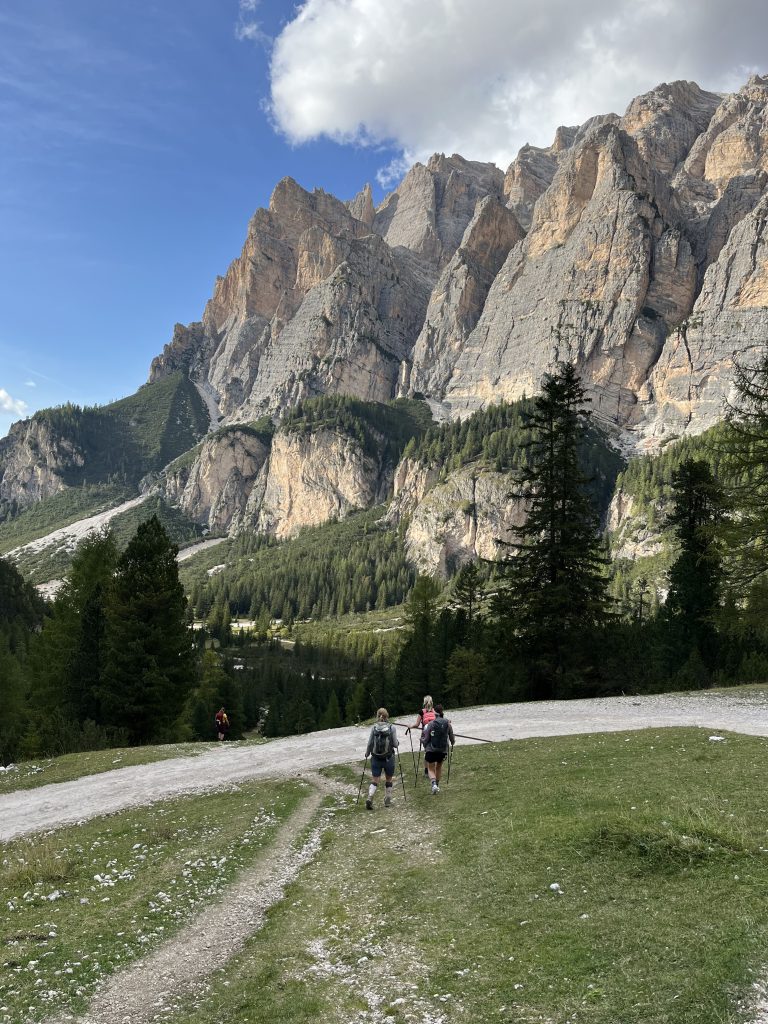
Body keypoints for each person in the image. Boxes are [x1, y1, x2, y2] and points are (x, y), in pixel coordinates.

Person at [364, 708, 399, 810]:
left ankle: (370, 797)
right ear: (387, 716)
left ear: (377, 716)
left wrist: (367, 753)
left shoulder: (374, 728)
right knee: (388, 778)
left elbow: (370, 743)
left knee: (375, 779)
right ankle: (388, 798)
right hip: (389, 758)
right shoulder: (392, 728)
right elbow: (396, 744)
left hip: (376, 758)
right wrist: (397, 742)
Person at [421, 704, 454, 795]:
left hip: (431, 751)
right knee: (438, 767)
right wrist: (452, 743)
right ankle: (437, 785)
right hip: (442, 751)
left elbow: (426, 739)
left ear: (434, 713)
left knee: (430, 768)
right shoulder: (447, 723)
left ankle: (434, 784)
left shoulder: (431, 724)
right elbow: (452, 738)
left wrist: (422, 741)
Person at [408, 695, 436, 776]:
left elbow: (417, 725)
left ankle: (427, 771)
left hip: (425, 735)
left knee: (427, 752)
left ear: (424, 703)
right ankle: (433, 769)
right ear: (432, 702)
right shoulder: (435, 711)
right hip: (435, 735)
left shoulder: (421, 712)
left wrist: (410, 726)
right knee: (434, 751)